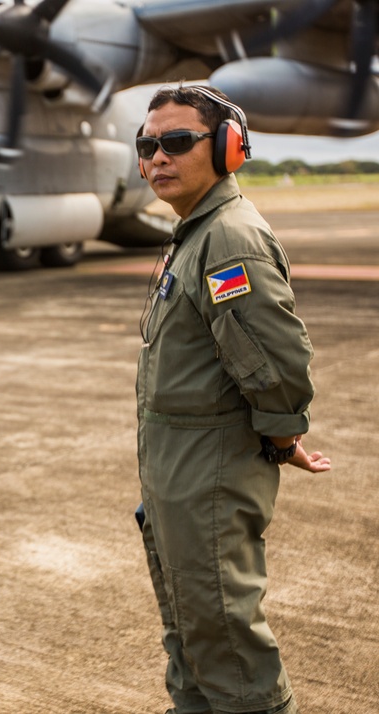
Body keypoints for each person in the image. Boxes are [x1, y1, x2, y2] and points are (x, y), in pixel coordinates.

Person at [134, 85, 331, 714]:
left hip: (208, 471)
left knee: (226, 641)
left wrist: (281, 438)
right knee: (192, 633)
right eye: (147, 145)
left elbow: (273, 361)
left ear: (227, 149)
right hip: (179, 465)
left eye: (176, 142)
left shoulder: (229, 240)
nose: (157, 157)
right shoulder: (196, 233)